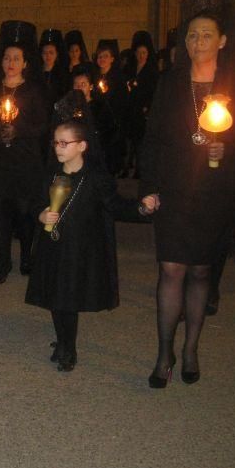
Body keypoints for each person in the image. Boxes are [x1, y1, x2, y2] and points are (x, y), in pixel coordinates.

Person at [139, 0, 235, 388]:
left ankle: (192, 347)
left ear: (223, 41)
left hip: (215, 193)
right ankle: (164, 352)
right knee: (170, 269)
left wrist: (225, 146)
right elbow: (151, 139)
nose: (198, 42)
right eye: (193, 35)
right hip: (176, 190)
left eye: (207, 35)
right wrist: (149, 186)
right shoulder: (169, 83)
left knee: (199, 273)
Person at [26, 114, 142, 372]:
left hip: (79, 249)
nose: (58, 148)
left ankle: (69, 347)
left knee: (68, 298)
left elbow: (116, 206)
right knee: (54, 297)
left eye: (65, 143)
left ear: (82, 146)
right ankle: (62, 340)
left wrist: (141, 209)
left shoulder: (95, 178)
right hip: (53, 245)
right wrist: (40, 213)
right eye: (56, 143)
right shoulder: (51, 174)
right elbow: (34, 201)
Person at [0, 20, 50, 282]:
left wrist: (18, 131)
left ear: (25, 63)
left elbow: (42, 124)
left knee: (24, 211)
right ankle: (4, 262)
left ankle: (26, 257)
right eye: (7, 57)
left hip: (24, 160)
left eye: (16, 58)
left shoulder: (32, 90)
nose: (10, 62)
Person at [123, 31, 160, 178]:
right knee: (129, 142)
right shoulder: (130, 68)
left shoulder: (151, 71)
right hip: (130, 110)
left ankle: (139, 169)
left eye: (144, 53)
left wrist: (147, 107)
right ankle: (126, 168)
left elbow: (153, 91)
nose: (141, 55)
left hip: (142, 111)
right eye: (139, 53)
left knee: (140, 143)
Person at [93, 39, 128, 175]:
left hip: (112, 123)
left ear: (112, 59)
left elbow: (122, 101)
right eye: (100, 56)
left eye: (105, 56)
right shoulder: (95, 76)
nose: (102, 59)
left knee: (111, 157)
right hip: (98, 122)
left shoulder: (118, 78)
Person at [40, 28, 70, 103]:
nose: (48, 56)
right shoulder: (37, 73)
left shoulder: (62, 74)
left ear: (56, 54)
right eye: (45, 53)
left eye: (51, 52)